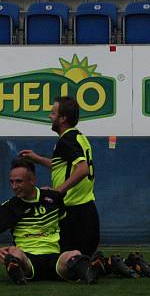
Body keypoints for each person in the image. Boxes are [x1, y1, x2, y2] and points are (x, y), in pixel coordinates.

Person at [0, 158, 96, 285]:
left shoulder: (53, 198)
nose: (14, 187)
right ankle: (17, 275)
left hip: (55, 259)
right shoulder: (9, 208)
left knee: (75, 254)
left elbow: (66, 229)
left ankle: (92, 271)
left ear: (32, 180)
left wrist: (68, 254)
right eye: (11, 182)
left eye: (19, 182)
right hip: (27, 261)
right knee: (14, 252)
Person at [20, 96, 100, 256]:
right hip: (87, 209)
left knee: (66, 265)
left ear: (63, 118)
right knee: (79, 262)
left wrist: (57, 192)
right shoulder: (79, 137)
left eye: (53, 113)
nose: (50, 116)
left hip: (75, 212)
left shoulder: (66, 140)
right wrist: (38, 159)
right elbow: (68, 167)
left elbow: (82, 169)